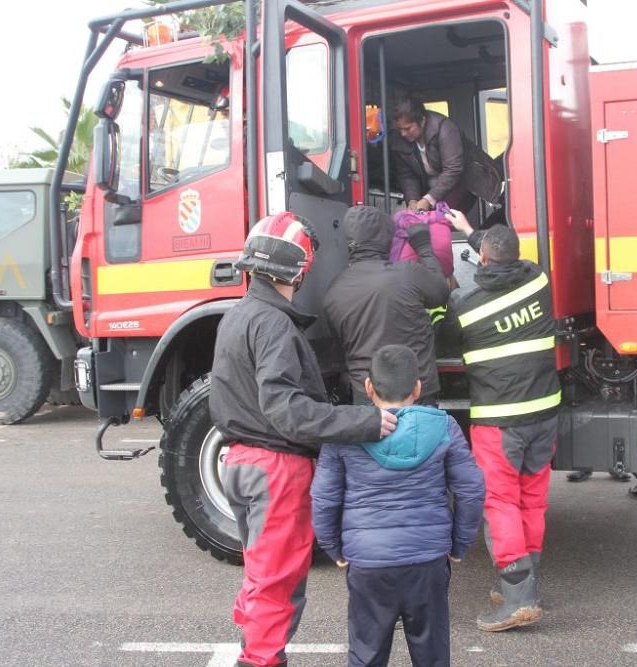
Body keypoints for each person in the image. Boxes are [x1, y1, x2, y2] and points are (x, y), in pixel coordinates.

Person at [209, 211, 398, 667]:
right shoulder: (273, 324)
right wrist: (367, 421)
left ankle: (253, 647)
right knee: (279, 580)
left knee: (260, 573)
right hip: (275, 468)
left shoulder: (237, 317)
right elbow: (288, 413)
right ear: (300, 269)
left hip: (239, 463)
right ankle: (259, 659)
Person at [311, 344, 485, 667]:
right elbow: (471, 490)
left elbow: (324, 499)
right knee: (432, 656)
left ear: (368, 388)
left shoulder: (344, 432)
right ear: (418, 388)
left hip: (368, 561)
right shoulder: (443, 427)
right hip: (428, 560)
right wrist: (458, 546)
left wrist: (334, 548)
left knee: (366, 655)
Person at [445, 210, 559, 632]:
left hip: (499, 419)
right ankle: (526, 585)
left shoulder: (466, 304)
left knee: (500, 503)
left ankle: (518, 598)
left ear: (482, 260)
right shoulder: (539, 282)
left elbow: (443, 330)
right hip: (544, 411)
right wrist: (473, 234)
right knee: (532, 499)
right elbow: (512, 262)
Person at [324, 206, 450, 406]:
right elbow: (441, 293)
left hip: (367, 396)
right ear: (387, 240)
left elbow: (340, 349)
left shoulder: (333, 291)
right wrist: (423, 245)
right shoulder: (407, 273)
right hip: (415, 393)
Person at [389, 97, 502, 214]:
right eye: (399, 129)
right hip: (434, 185)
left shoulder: (445, 129)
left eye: (407, 128)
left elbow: (453, 169)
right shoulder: (399, 141)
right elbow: (407, 174)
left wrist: (429, 199)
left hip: (464, 181)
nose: (403, 133)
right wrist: (412, 199)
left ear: (422, 121)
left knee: (443, 218)